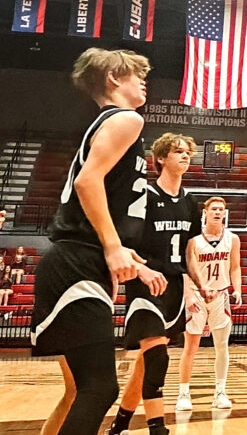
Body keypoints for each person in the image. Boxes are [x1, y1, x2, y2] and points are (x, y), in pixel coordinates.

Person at [31, 48, 159, 435]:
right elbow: (88, 183)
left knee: (76, 392)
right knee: (100, 387)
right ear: (112, 78)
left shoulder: (107, 122)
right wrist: (111, 246)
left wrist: (125, 252)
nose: (144, 80)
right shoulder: (126, 119)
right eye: (136, 74)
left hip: (73, 260)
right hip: (78, 263)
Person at [107, 134, 208, 435]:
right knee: (158, 359)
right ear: (161, 158)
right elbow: (121, 246)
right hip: (146, 285)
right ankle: (158, 429)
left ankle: (120, 424)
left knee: (145, 363)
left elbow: (189, 252)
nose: (185, 156)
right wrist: (140, 270)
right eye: (178, 151)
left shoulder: (191, 203)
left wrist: (199, 284)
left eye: (188, 152)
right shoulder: (144, 196)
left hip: (174, 286)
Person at [176, 196, 242, 411]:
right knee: (191, 347)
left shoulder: (232, 239)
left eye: (221, 209)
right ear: (205, 213)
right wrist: (188, 295)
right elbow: (185, 271)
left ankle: (220, 392)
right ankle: (183, 393)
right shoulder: (193, 239)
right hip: (197, 295)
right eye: (213, 209)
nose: (217, 212)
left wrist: (238, 288)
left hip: (220, 296)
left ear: (224, 213)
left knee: (222, 346)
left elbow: (235, 267)